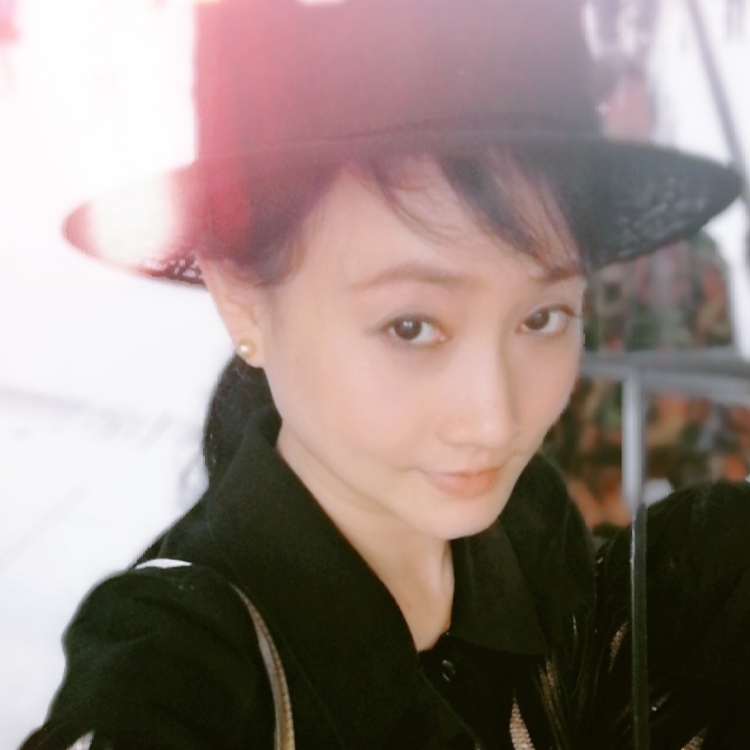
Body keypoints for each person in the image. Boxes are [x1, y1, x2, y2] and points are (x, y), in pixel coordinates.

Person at [20, 1, 749, 748]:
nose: (496, 419)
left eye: (542, 318)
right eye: (412, 326)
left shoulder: (529, 526)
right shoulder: (181, 668)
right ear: (241, 298)